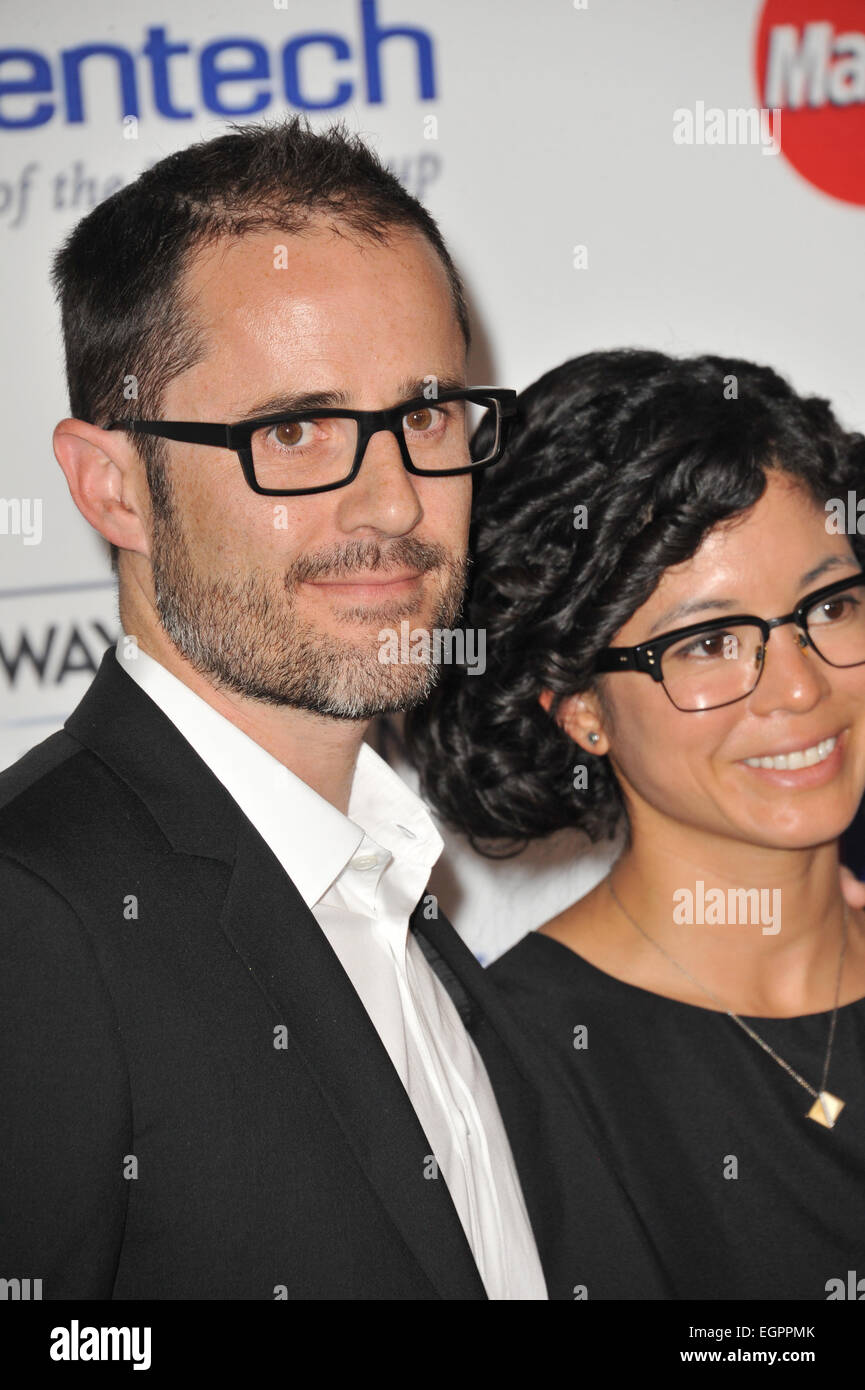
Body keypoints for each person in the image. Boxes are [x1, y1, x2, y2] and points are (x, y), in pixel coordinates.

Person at [0, 121, 670, 1301]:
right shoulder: (34, 917)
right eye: (291, 429)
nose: (395, 502)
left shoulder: (391, 891)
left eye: (422, 416)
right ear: (114, 486)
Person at [406, 349, 865, 1299]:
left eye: (830, 605)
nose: (799, 686)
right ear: (578, 709)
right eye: (707, 643)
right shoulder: (514, 1072)